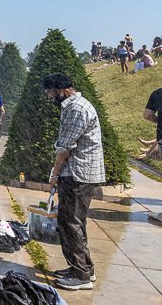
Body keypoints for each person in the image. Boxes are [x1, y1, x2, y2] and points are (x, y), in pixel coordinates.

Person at [43, 73, 104, 291]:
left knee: (70, 223)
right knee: (74, 222)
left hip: (78, 174)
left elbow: (64, 147)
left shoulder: (77, 109)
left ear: (61, 90)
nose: (49, 97)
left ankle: (81, 276)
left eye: (50, 92)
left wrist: (54, 174)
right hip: (78, 173)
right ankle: (83, 268)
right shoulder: (74, 106)